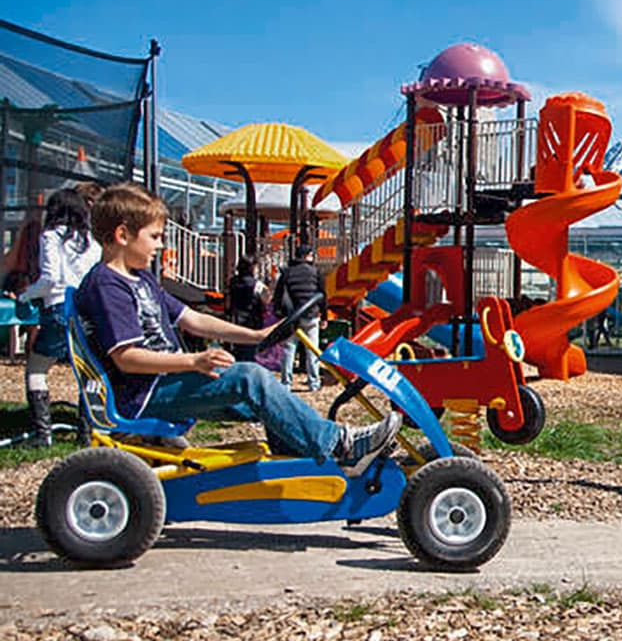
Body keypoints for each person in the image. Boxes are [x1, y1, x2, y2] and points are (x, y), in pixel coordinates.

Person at [74, 184, 399, 472]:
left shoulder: (139, 277)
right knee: (251, 378)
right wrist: (193, 362)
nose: (160, 246)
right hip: (144, 395)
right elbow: (127, 357)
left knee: (267, 393)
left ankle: (301, 456)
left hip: (163, 384)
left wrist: (256, 336)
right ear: (122, 235)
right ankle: (340, 446)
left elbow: (193, 319)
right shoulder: (107, 285)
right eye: (155, 237)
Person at [18, 189, 101, 446]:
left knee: (37, 368)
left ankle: (43, 435)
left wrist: (26, 295)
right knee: (88, 372)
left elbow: (51, 279)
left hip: (58, 309)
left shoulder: (51, 236)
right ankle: (86, 433)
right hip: (88, 311)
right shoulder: (92, 240)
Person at [273, 243, 327, 391]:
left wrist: (278, 312)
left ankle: (286, 383)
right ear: (307, 256)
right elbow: (322, 296)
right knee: (312, 350)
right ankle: (314, 382)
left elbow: (278, 296)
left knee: (289, 349)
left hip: (291, 317)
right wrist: (324, 317)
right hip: (311, 316)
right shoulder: (316, 272)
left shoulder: (287, 272)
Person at [225, 256, 271, 362]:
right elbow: (267, 300)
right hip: (252, 319)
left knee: (237, 348)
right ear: (252, 268)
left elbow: (228, 301)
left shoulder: (232, 282)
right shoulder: (257, 285)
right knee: (250, 348)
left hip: (235, 318)